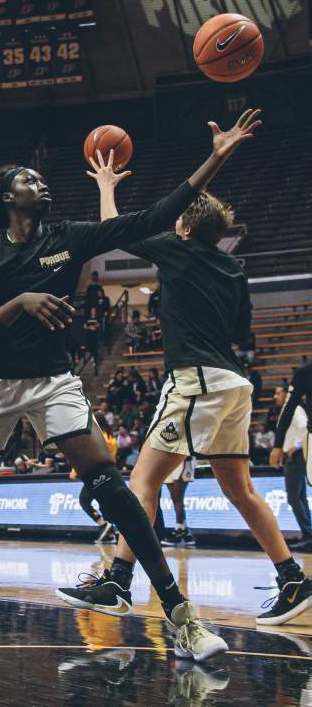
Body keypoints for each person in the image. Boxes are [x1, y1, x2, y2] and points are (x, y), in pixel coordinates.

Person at [0, 112, 256, 662]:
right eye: (28, 179)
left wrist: (217, 155)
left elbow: (156, 216)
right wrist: (22, 302)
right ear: (6, 197)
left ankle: (183, 618)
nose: (41, 184)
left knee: (113, 486)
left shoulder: (65, 237)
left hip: (52, 380)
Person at [99, 110, 312, 627]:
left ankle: (116, 582)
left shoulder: (180, 250)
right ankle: (292, 580)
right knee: (238, 489)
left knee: (142, 484)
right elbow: (241, 334)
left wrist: (107, 185)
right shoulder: (233, 268)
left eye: (178, 221)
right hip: (234, 383)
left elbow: (112, 229)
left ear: (187, 226)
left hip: (196, 380)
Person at [271, 382, 312, 551]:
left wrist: (295, 445)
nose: (275, 396)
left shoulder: (294, 409)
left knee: (294, 498)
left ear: (287, 393)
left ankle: (308, 533)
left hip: (295, 457)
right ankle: (308, 534)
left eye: (278, 393)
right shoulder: (291, 410)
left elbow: (305, 427)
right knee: (299, 497)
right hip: (294, 457)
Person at [158, 459, 197, 548]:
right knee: (174, 497)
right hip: (169, 460)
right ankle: (185, 533)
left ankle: (179, 531)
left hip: (183, 458)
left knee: (178, 496)